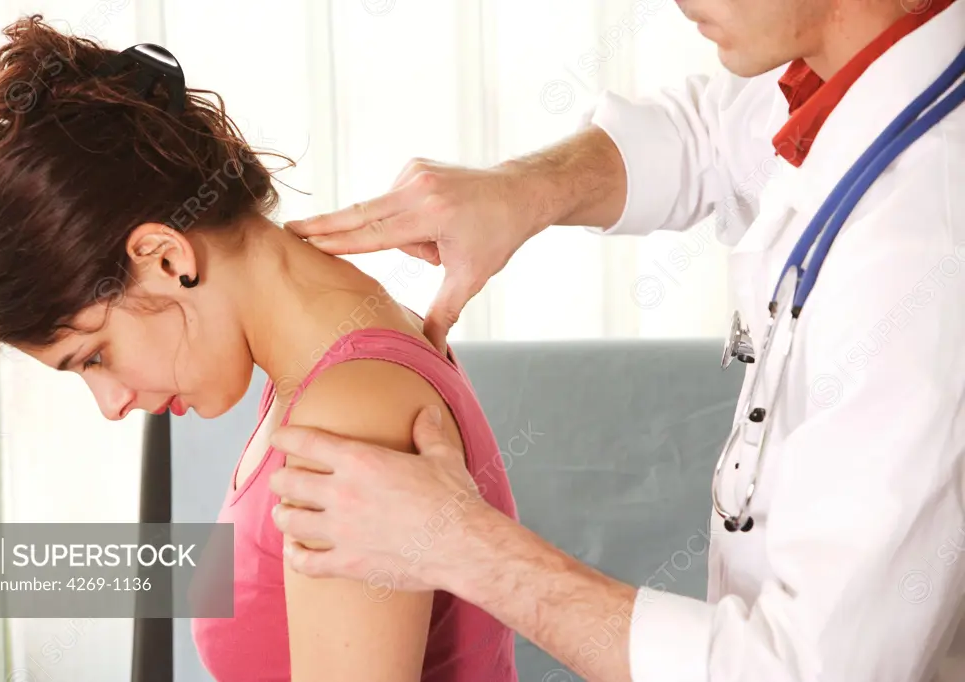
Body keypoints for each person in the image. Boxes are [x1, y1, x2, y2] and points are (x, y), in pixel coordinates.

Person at [267, 1, 965, 681]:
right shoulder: (860, 67)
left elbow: (805, 672)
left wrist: (460, 544)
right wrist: (524, 189)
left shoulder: (922, 249)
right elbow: (713, 134)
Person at [0, 15, 519, 682]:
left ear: (166, 259)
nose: (111, 405)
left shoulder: (346, 416)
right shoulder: (326, 359)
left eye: (93, 356)